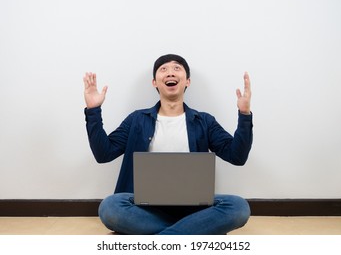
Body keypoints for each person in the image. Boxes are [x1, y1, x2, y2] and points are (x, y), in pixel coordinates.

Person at [83, 54, 253, 235]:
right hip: (145, 209)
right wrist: (93, 111)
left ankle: (162, 238)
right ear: (154, 83)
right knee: (109, 207)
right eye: (163, 69)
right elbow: (103, 154)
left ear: (187, 81)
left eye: (177, 68)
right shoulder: (137, 120)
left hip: (194, 209)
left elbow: (237, 156)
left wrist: (244, 114)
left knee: (239, 207)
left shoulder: (204, 121)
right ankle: (190, 231)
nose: (170, 73)